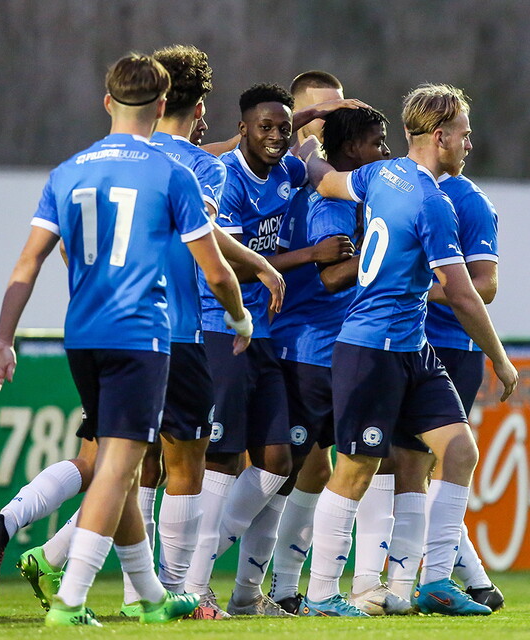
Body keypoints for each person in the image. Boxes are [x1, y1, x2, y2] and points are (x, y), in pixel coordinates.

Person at [0, 53, 252, 627]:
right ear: (160, 105)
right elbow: (217, 270)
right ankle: (71, 602)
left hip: (83, 335)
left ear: (107, 102)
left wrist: (3, 337)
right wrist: (240, 318)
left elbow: (28, 263)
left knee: (118, 465)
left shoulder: (69, 170)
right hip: (142, 335)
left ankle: (149, 597)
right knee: (121, 468)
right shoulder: (173, 173)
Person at [301, 83, 517, 617]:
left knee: (459, 450)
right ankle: (322, 593)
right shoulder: (431, 202)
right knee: (357, 469)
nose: (469, 143)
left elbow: (325, 180)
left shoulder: (381, 173)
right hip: (371, 348)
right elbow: (464, 295)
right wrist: (500, 358)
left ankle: (435, 581)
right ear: (440, 137)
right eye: (464, 134)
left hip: (411, 345)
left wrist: (306, 147)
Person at [186, 83, 353, 618]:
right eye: (265, 127)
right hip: (221, 326)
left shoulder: (288, 171)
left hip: (264, 335)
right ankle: (190, 582)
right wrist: (310, 254)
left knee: (279, 462)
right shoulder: (226, 178)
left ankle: (240, 592)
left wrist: (317, 115)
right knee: (220, 457)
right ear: (242, 130)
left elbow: (320, 169)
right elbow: (232, 265)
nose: (277, 136)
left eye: (284, 127)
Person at [267, 105, 409, 615]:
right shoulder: (330, 202)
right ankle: (204, 580)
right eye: (377, 142)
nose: (385, 152)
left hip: (333, 350)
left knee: (330, 466)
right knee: (277, 474)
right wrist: (385, 249)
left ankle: (293, 589)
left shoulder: (346, 192)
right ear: (350, 148)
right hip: (310, 350)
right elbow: (330, 277)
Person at [386, 169, 505, 611]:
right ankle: (471, 580)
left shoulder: (468, 199)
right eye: (463, 136)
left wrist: (416, 289)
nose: (468, 144)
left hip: (452, 347)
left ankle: (424, 582)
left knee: (424, 464)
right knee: (402, 466)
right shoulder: (401, 186)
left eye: (468, 136)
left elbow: (485, 285)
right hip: (406, 344)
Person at [289, 70, 344, 156]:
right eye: (324, 114)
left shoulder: (357, 163)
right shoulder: (277, 161)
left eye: (339, 112)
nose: (334, 121)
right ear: (294, 110)